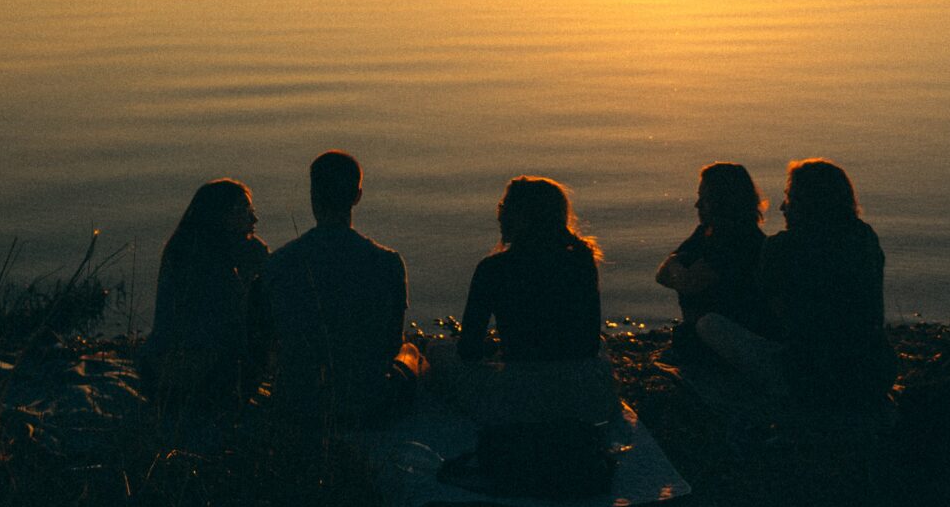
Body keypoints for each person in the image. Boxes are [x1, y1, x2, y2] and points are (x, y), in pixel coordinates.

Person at [696, 158, 893, 415]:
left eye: (789, 197)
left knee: (708, 324)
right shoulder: (865, 237)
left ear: (804, 202)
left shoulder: (782, 248)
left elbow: (776, 316)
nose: (781, 207)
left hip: (808, 378)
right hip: (877, 371)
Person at [433, 176, 617, 427]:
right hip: (586, 396)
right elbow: (588, 341)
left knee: (437, 351)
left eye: (503, 208)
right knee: (602, 345)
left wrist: (497, 347)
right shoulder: (582, 261)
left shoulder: (493, 269)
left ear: (519, 217)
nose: (499, 216)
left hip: (521, 397)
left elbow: (468, 350)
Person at [258, 150, 421, 426]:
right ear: (358, 196)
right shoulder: (388, 263)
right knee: (412, 353)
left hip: (297, 404)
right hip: (367, 406)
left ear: (313, 195)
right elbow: (391, 342)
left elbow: (266, 337)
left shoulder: (279, 263)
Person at [142, 178, 269, 427]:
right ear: (221, 216)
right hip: (200, 378)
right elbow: (234, 324)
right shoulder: (216, 264)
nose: (253, 220)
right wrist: (257, 265)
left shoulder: (180, 248)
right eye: (244, 211)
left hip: (153, 374)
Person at [655, 162, 776, 358]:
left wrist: (677, 268)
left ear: (723, 201)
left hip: (737, 331)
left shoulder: (741, 240)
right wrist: (679, 269)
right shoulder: (706, 233)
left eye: (704, 198)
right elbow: (662, 275)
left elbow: (688, 282)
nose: (697, 205)